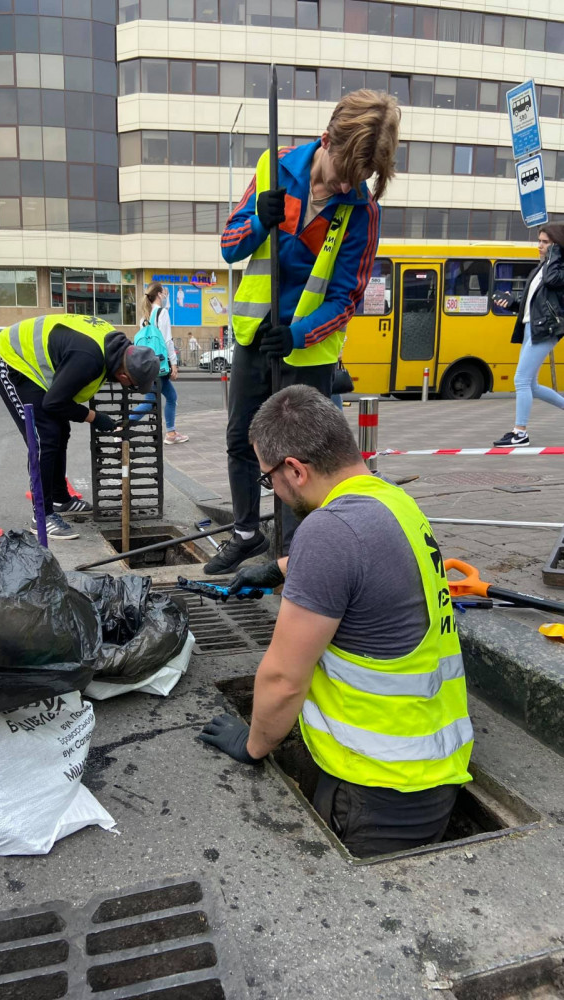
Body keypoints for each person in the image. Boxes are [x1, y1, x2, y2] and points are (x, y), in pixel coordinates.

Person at [200, 385, 473, 858]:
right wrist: (279, 568)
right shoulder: (393, 501)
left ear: (295, 470)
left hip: (374, 795)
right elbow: (371, 563)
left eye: (269, 480)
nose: (275, 492)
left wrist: (254, 744)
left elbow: (284, 679)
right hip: (429, 776)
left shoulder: (327, 531)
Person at [205, 89, 401, 575]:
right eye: (341, 177)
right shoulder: (275, 169)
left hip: (307, 353)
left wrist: (299, 334)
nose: (343, 189)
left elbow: (346, 299)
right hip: (255, 336)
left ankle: (295, 559)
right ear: (327, 138)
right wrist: (257, 220)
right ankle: (247, 535)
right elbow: (230, 247)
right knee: (241, 440)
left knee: (301, 460)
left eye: (357, 182)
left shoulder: (361, 210)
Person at [0, 315, 159, 539]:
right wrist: (94, 417)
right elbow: (54, 402)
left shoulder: (113, 347)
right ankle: (42, 515)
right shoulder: (89, 359)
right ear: (124, 374)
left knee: (61, 429)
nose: (131, 388)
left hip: (37, 369)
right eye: (133, 385)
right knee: (45, 437)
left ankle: (60, 499)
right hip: (12, 360)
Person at [492, 224, 564, 447]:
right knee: (530, 385)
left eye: (545, 242)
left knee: (520, 380)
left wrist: (555, 254)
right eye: (539, 241)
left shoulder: (557, 268)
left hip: (545, 330)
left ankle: (520, 432)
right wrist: (512, 303)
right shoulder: (540, 268)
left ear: (557, 245)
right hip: (530, 327)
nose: (540, 246)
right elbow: (532, 304)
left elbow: (553, 281)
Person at [134, 282, 189, 445]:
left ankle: (171, 432)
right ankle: (121, 427)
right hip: (160, 365)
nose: (165, 296)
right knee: (152, 402)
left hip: (147, 365)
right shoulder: (162, 313)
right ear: (159, 294)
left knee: (168, 397)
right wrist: (174, 364)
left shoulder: (144, 317)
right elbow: (167, 341)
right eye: (164, 293)